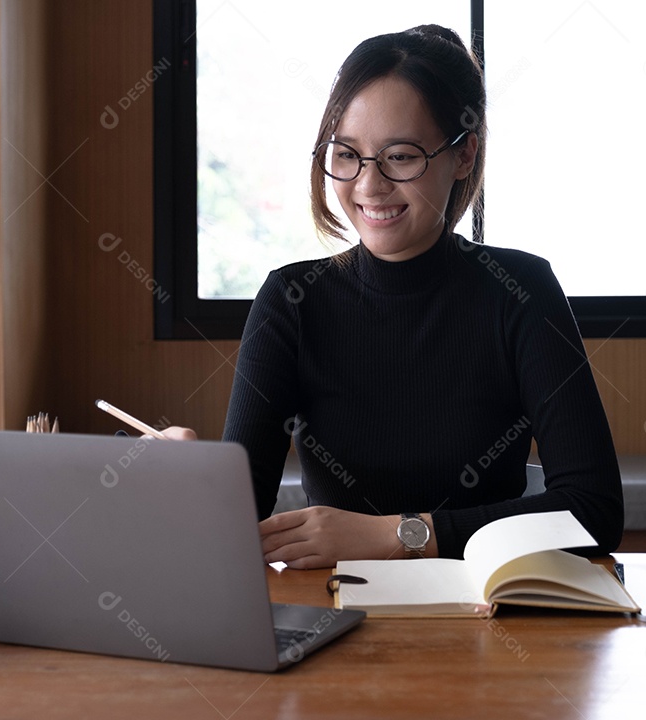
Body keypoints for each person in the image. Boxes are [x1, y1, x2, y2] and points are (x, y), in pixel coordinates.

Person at [164, 24, 623, 568]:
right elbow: (240, 527)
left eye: (400, 156)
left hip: (487, 614)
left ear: (464, 155)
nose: (368, 185)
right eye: (347, 154)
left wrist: (399, 535)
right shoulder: (291, 300)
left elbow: (593, 510)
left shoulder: (522, 290)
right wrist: (190, 485)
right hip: (338, 615)